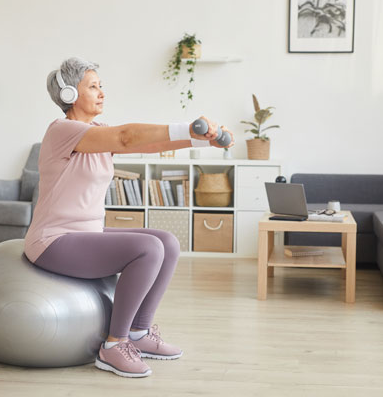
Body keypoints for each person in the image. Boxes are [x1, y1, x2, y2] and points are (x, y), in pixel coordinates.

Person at [23, 57, 234, 378]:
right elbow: (127, 137)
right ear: (68, 95)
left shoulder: (97, 133)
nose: (102, 93)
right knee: (147, 249)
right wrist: (187, 127)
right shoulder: (62, 131)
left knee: (167, 242)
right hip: (53, 241)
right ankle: (113, 345)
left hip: (86, 236)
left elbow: (150, 145)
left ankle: (139, 332)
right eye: (93, 87)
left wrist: (200, 139)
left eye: (101, 86)